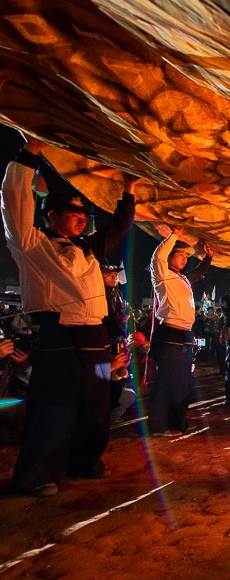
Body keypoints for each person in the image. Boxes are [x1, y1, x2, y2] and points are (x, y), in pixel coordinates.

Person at [2, 134, 137, 496]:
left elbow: (118, 228)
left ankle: (84, 461)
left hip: (94, 340)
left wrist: (128, 192)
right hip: (60, 338)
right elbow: (14, 202)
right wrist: (29, 153)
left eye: (83, 215)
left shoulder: (89, 249)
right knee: (54, 406)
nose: (81, 219)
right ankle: (39, 474)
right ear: (51, 215)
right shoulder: (32, 245)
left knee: (95, 403)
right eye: (74, 214)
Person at [148, 229, 213, 437]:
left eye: (187, 256)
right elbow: (157, 256)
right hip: (170, 334)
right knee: (167, 381)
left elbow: (199, 272)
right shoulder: (162, 274)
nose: (185, 259)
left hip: (185, 335)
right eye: (180, 254)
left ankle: (178, 422)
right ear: (170, 255)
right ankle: (160, 425)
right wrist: (174, 236)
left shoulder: (183, 279)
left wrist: (209, 258)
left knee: (183, 382)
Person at [100, 263, 136, 423]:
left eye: (115, 274)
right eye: (109, 274)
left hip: (117, 343)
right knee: (101, 380)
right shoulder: (97, 294)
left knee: (119, 382)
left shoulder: (117, 294)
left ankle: (111, 414)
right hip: (102, 344)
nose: (114, 277)